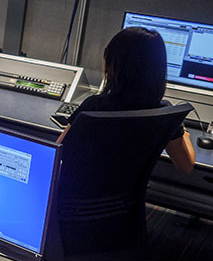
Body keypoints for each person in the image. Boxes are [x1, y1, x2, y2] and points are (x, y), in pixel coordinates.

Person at [60, 26, 195, 173]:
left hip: (77, 194)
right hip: (128, 196)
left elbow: (58, 151)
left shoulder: (94, 106)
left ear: (112, 67)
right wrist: (184, 134)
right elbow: (186, 166)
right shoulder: (165, 114)